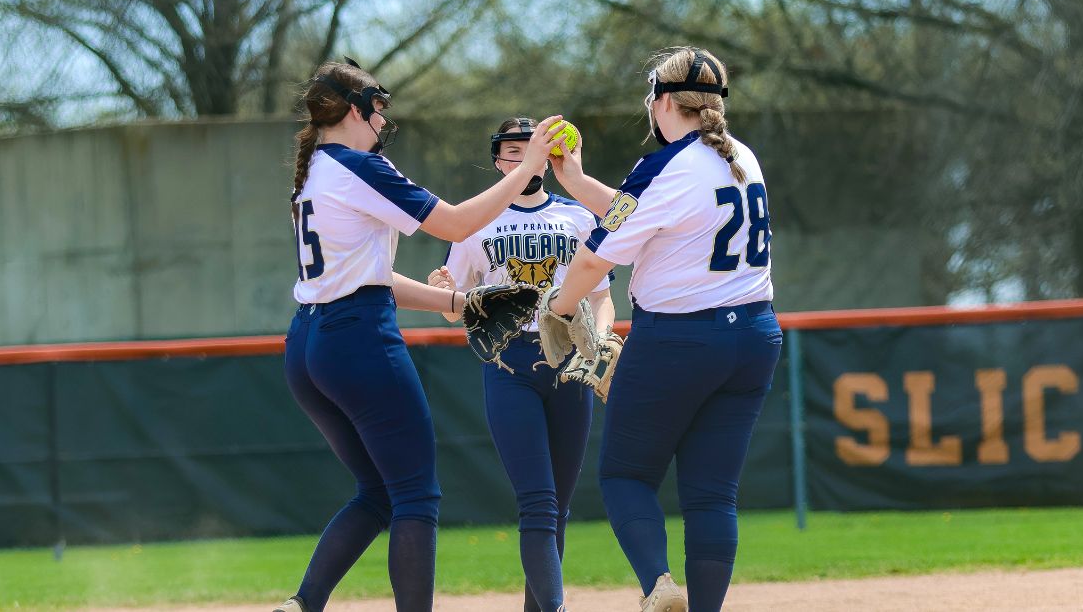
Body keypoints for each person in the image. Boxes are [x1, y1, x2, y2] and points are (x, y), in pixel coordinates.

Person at [275, 60, 563, 612]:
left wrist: (457, 301)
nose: (382, 121)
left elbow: (368, 277)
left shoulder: (314, 171)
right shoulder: (358, 166)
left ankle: (303, 604)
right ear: (355, 109)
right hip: (357, 340)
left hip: (308, 345)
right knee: (416, 495)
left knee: (380, 492)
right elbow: (455, 225)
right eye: (378, 109)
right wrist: (526, 166)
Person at [543, 47, 782, 612]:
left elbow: (596, 258)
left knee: (626, 475)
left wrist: (558, 309)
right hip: (754, 337)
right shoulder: (741, 155)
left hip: (679, 340)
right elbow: (652, 216)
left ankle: (659, 587)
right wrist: (575, 181)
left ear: (664, 102)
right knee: (712, 496)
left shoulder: (665, 166)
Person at [426, 117, 616, 612]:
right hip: (510, 362)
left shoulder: (577, 217)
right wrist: (444, 293)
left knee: (559, 510)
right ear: (497, 159)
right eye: (512, 150)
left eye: (532, 147)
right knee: (538, 502)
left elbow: (600, 296)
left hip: (568, 360)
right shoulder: (474, 223)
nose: (522, 157)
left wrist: (598, 339)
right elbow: (456, 307)